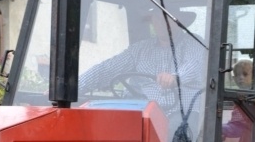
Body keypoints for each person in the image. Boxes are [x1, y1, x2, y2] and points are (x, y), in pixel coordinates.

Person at [78, 7, 206, 118]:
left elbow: (193, 65)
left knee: (178, 129)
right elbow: (107, 69)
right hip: (146, 114)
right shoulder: (140, 49)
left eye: (167, 18)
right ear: (152, 21)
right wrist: (74, 87)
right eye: (157, 18)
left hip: (182, 113)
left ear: (178, 21)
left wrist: (175, 78)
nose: (162, 23)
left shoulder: (193, 43)